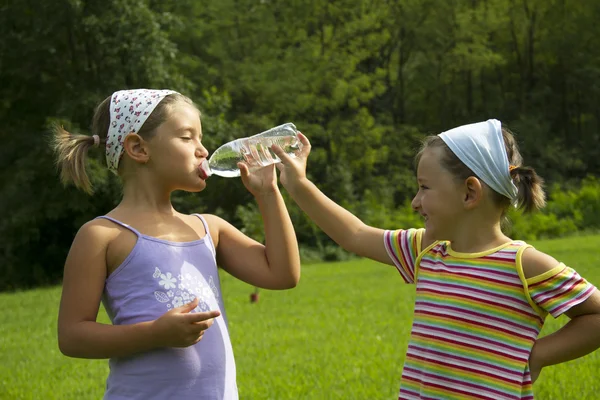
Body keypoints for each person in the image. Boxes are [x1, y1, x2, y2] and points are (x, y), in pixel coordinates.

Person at [271, 119, 600, 399]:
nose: (415, 202)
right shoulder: (427, 250)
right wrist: (299, 185)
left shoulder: (524, 265)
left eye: (425, 188)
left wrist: (536, 356)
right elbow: (355, 235)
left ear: (469, 193)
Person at [53, 89, 301, 400]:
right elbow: (72, 337)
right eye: (188, 137)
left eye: (201, 139)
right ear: (138, 148)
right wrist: (154, 334)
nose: (204, 150)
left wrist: (268, 193)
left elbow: (282, 274)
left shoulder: (210, 229)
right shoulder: (102, 236)